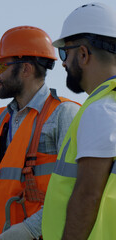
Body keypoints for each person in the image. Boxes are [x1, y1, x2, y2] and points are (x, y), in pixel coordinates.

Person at [0, 26, 81, 240]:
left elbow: (76, 190)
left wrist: (29, 230)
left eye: (1, 66)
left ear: (25, 69)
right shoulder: (3, 119)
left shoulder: (64, 114)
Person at [42, 3, 116, 239]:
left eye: (65, 52)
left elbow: (87, 195)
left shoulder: (101, 109)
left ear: (83, 54)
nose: (62, 62)